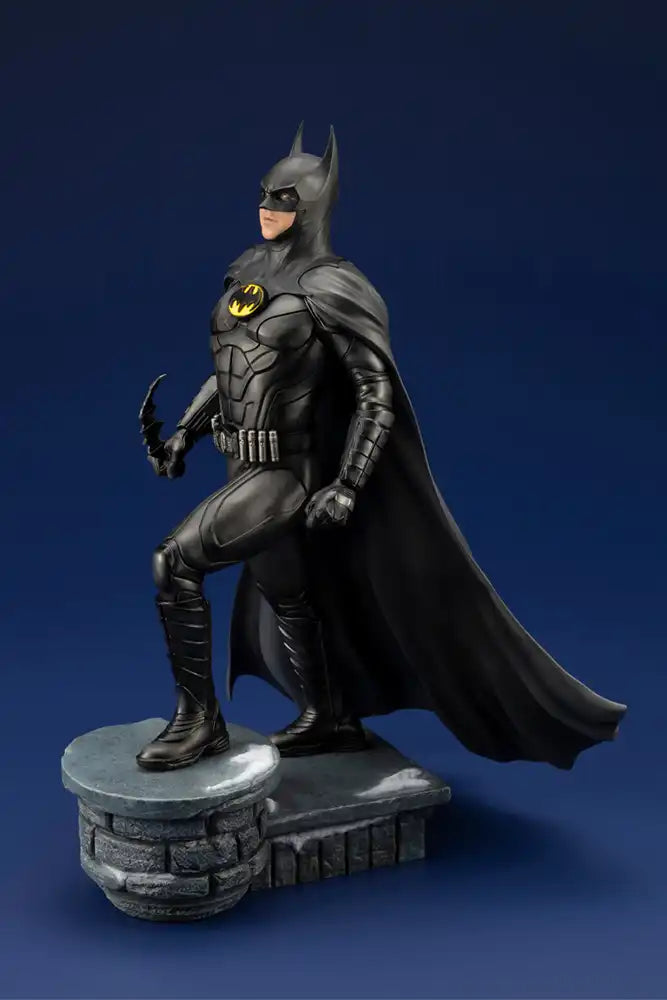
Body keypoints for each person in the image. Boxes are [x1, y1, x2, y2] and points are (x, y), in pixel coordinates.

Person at [136, 123, 626, 773]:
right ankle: (329, 718)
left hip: (288, 472)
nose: (267, 207)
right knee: (288, 593)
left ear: (313, 207)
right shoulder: (245, 269)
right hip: (239, 461)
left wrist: (347, 483)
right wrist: (185, 433)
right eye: (263, 194)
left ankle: (199, 722)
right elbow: (233, 366)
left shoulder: (333, 285)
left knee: (174, 562)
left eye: (284, 198)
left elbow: (374, 392)